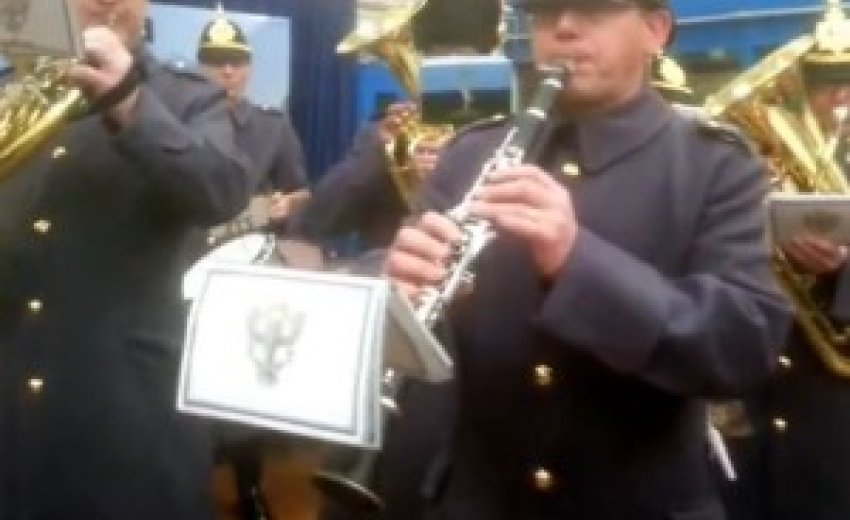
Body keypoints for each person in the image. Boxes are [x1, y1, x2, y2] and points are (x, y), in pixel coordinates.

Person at [382, 0, 791, 518]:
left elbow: (742, 344)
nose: (564, 28)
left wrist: (577, 261)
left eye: (593, 11)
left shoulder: (714, 164)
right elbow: (419, 343)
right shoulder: (470, 154)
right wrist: (395, 295)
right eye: (545, 13)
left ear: (655, 30)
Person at [0, 0, 251, 518]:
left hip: (124, 413)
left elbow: (222, 192)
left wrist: (127, 100)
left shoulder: (187, 96)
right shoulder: (14, 92)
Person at [725, 10, 850, 519]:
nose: (840, 98)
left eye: (849, 84)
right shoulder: (769, 163)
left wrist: (841, 271)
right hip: (764, 408)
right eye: (824, 86)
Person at [197, 11, 309, 239]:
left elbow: (301, 193)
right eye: (217, 61)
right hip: (191, 246)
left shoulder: (273, 126)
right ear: (200, 68)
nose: (227, 71)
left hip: (252, 245)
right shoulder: (180, 122)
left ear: (249, 69)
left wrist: (287, 204)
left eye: (236, 62)